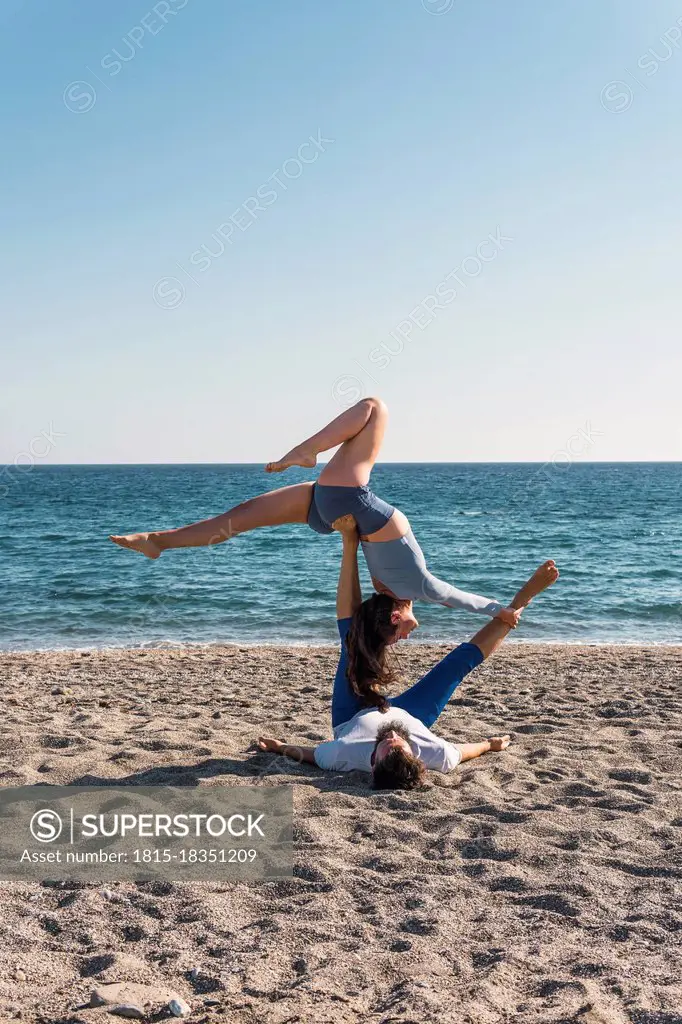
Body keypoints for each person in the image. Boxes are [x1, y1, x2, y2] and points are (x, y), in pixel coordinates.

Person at [110, 399, 517, 649]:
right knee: (238, 519)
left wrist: (501, 611)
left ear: (394, 617)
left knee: (375, 407)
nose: (410, 634)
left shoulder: (416, 588)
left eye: (401, 634)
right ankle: (158, 541)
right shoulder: (388, 588)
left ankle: (305, 451)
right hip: (333, 515)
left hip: (346, 499)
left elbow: (458, 597)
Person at [257, 515, 559, 790]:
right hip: (411, 715)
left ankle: (349, 542)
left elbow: (309, 754)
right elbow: (463, 752)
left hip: (351, 715)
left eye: (387, 747)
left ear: (373, 762)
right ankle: (519, 601)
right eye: (399, 745)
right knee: (455, 666)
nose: (392, 739)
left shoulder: (343, 754)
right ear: (414, 755)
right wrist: (488, 745)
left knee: (351, 641)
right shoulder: (435, 754)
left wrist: (280, 746)